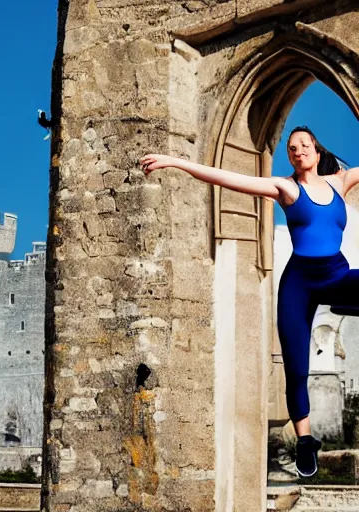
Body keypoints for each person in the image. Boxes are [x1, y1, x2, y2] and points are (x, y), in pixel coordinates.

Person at [140, 126, 359, 478]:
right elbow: (227, 178)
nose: (298, 150)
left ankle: (344, 304)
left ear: (317, 152)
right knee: (296, 367)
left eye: (305, 145)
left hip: (335, 275)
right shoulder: (285, 187)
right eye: (291, 148)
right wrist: (174, 162)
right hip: (299, 285)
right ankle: (306, 443)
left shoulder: (342, 181)